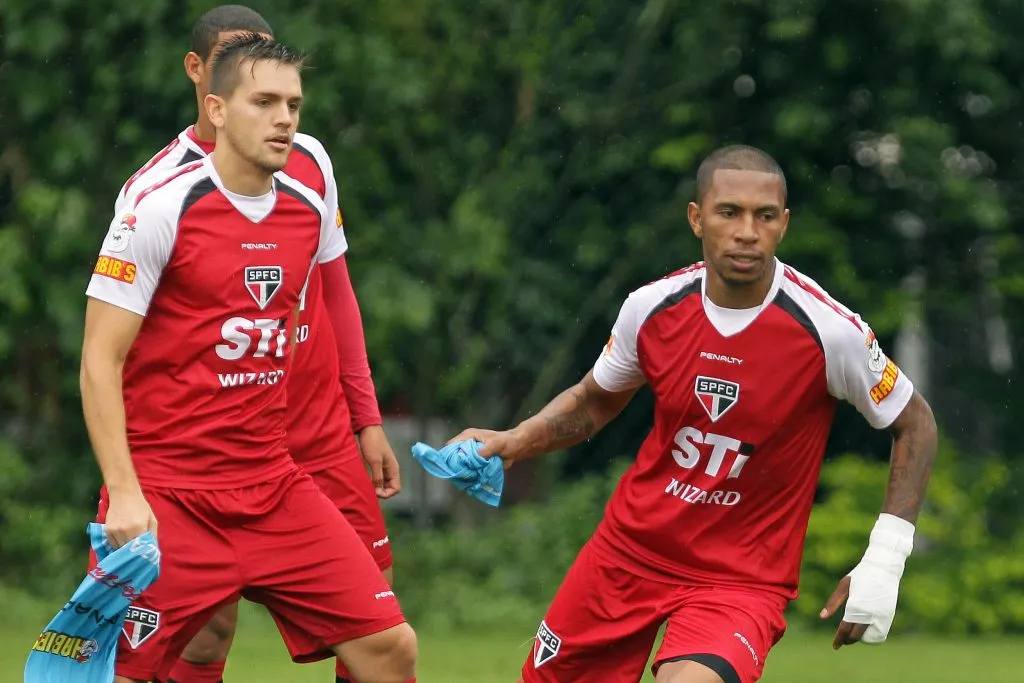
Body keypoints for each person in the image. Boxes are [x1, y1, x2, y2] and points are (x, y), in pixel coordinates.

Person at [451, 145, 937, 683]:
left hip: (740, 579)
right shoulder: (650, 308)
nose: (747, 232)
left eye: (764, 216)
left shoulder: (830, 331)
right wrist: (515, 440)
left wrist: (885, 560)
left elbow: (915, 423)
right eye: (729, 212)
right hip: (629, 552)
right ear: (697, 218)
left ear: (784, 224)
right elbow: (596, 399)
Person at [81, 34, 417, 683]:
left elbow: (323, 319)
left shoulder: (306, 208)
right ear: (217, 108)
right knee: (119, 672)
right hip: (172, 493)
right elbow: (99, 358)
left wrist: (361, 416)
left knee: (390, 647)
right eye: (264, 102)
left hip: (273, 485)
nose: (284, 118)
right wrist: (123, 492)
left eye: (293, 103)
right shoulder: (158, 208)